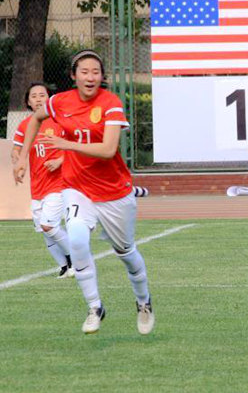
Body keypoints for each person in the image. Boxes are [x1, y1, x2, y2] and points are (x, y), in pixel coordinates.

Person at [13, 50, 154, 335]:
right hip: (77, 187)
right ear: (73, 75)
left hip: (113, 192)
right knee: (76, 238)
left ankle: (144, 302)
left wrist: (66, 145)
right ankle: (95, 307)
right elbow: (35, 120)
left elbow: (108, 149)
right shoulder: (59, 101)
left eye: (95, 72)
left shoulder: (110, 103)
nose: (90, 77)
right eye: (84, 71)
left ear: (102, 77)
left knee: (126, 252)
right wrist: (22, 157)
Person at [11, 82, 73, 278]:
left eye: (42, 95)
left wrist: (60, 160)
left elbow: (76, 148)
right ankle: (64, 266)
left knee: (49, 226)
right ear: (28, 102)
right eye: (34, 96)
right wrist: (17, 158)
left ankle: (75, 259)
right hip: (37, 187)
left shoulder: (60, 120)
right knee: (44, 230)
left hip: (58, 184)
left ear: (49, 99)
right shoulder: (25, 125)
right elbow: (16, 149)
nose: (38, 99)